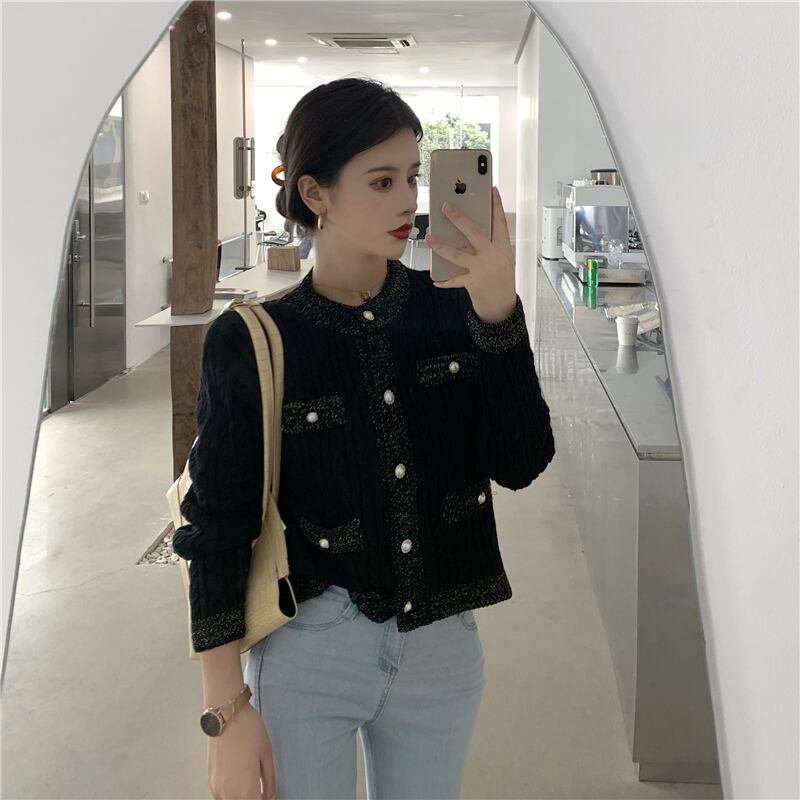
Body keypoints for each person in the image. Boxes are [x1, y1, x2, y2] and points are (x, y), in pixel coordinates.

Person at [172, 76, 555, 800]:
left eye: (412, 176)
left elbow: (521, 462)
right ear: (315, 193)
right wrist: (225, 712)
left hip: (442, 647)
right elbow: (216, 528)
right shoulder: (253, 340)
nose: (408, 200)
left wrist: (499, 312)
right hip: (308, 649)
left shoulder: (456, 310)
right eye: (382, 181)